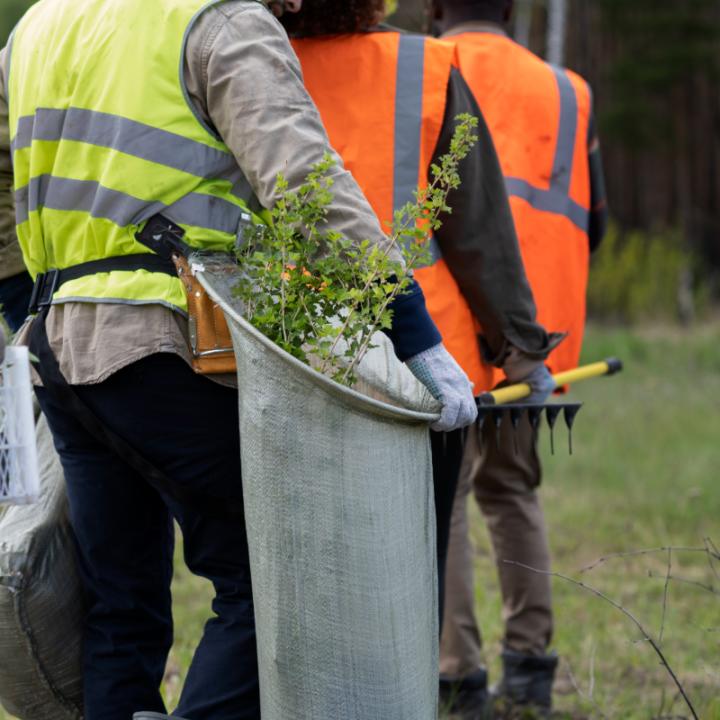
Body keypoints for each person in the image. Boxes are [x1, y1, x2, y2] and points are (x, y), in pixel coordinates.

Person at [1, 0, 479, 717]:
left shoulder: (35, 28)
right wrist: (412, 329)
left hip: (60, 351)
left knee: (116, 606)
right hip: (172, 346)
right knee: (276, 584)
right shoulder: (217, 21)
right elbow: (304, 186)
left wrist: (22, 306)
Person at [281, 0, 563, 628]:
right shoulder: (426, 67)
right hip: (423, 345)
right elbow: (480, 231)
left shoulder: (251, 56)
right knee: (433, 519)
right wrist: (519, 343)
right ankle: (446, 672)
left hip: (288, 346)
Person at [432, 0, 609, 714]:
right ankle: (531, 670)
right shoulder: (570, 91)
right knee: (512, 492)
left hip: (446, 331)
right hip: (540, 339)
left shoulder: (425, 69)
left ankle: (457, 677)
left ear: (437, 8)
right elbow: (595, 222)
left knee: (443, 506)